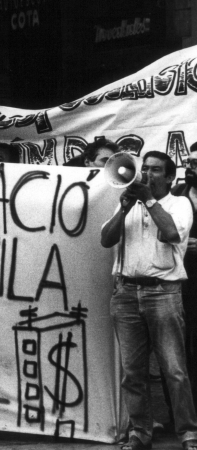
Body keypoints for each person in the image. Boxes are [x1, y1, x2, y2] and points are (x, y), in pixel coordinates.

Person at [100, 150, 197, 450]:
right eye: (146, 169)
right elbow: (106, 238)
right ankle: (140, 432)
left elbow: (170, 233)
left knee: (174, 370)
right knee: (133, 371)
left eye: (156, 170)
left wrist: (151, 202)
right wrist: (125, 208)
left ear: (170, 177)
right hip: (126, 293)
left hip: (163, 293)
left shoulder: (180, 204)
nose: (148, 174)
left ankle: (188, 432)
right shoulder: (128, 203)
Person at [172, 143, 197, 412]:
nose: (191, 168)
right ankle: (183, 413)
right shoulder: (177, 194)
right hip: (182, 284)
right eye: (189, 163)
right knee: (180, 353)